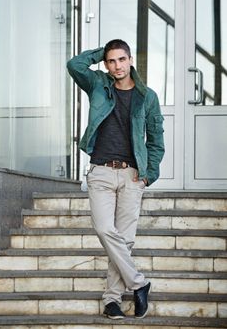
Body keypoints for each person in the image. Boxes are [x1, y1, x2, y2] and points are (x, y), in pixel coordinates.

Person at [67, 39, 165, 319]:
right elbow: (74, 64)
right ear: (106, 64)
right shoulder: (98, 84)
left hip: (133, 175)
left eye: (121, 59)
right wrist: (101, 51)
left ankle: (112, 300)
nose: (117, 66)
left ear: (130, 60)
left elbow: (156, 140)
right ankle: (139, 283)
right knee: (104, 228)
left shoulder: (148, 97)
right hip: (100, 171)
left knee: (124, 239)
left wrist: (149, 174)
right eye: (111, 61)